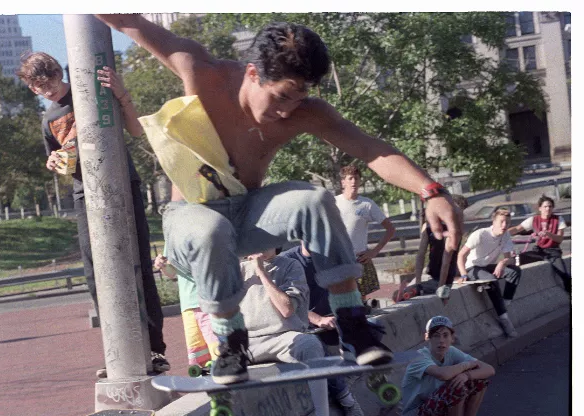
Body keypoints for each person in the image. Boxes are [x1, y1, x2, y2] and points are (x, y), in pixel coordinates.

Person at [96, 15, 462, 384]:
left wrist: (431, 191)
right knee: (211, 229)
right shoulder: (202, 71)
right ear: (252, 73)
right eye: (281, 97)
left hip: (249, 213)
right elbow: (127, 20)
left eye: (298, 99)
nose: (286, 111)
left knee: (315, 199)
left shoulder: (305, 112)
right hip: (190, 221)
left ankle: (352, 325)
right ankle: (230, 341)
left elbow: (371, 149)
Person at [16, 52, 170, 373]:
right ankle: (117, 350)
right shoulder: (47, 119)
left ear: (60, 72)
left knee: (138, 262)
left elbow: (136, 131)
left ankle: (154, 348)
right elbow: (59, 159)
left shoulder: (91, 92)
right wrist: (53, 162)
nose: (50, 92)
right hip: (84, 194)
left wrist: (121, 93)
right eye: (41, 89)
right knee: (93, 272)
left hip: (122, 184)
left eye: (53, 83)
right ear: (32, 89)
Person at [239, 248, 336, 416]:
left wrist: (262, 273)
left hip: (285, 337)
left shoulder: (290, 266)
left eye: (265, 240)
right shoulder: (237, 269)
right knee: (220, 360)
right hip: (249, 342)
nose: (258, 245)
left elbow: (286, 309)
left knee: (312, 345)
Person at [280, 243, 368, 416]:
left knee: (372, 326)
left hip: (332, 319)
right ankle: (347, 399)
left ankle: (354, 371)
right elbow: (291, 306)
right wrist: (318, 319)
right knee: (316, 349)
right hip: (304, 324)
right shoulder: (289, 262)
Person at [401, 316, 500, 416]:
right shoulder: (419, 357)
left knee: (477, 379)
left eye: (445, 335)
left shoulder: (451, 351)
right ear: (427, 338)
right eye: (435, 336)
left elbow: (489, 369)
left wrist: (467, 375)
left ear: (452, 337)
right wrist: (466, 366)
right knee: (456, 385)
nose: (441, 341)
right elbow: (443, 374)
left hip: (437, 413)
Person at [335, 164, 396, 300]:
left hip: (359, 258)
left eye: (356, 178)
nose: (353, 182)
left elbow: (390, 229)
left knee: (360, 300)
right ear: (343, 182)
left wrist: (374, 251)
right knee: (340, 299)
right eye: (350, 178)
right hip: (339, 259)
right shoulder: (334, 202)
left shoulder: (366, 204)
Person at [457, 209, 520, 338]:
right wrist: (463, 274)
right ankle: (504, 319)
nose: (504, 226)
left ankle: (504, 304)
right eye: (501, 222)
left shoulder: (506, 235)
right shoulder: (480, 234)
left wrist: (502, 262)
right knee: (491, 280)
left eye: (507, 223)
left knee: (515, 271)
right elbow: (461, 255)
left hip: (486, 266)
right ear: (494, 222)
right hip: (472, 267)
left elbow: (511, 259)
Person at [153, 253, 218, 371]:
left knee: (217, 350)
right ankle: (204, 383)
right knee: (198, 355)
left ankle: (226, 382)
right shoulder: (171, 238)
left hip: (208, 301)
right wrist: (162, 266)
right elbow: (172, 273)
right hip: (188, 306)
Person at [509, 195, 571, 295]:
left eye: (550, 206)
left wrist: (549, 234)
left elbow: (559, 239)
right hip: (539, 250)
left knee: (564, 275)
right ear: (540, 208)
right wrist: (503, 233)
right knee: (517, 259)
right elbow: (517, 229)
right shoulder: (533, 220)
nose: (548, 209)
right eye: (545, 206)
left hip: (553, 251)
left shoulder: (558, 219)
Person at [411, 195, 469, 297]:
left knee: (415, 293)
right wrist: (417, 282)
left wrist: (441, 286)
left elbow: (446, 261)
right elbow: (421, 255)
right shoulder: (429, 226)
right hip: (432, 272)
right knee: (406, 293)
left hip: (445, 277)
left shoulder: (454, 231)